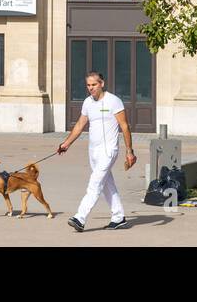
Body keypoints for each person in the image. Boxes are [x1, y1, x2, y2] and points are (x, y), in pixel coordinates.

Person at [57, 71, 137, 231]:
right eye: (88, 85)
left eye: (94, 84)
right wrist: (66, 143)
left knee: (95, 183)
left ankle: (80, 217)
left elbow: (125, 126)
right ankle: (118, 217)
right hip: (93, 151)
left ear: (102, 84)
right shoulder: (87, 102)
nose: (91, 88)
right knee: (107, 183)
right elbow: (80, 125)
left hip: (109, 150)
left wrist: (129, 151)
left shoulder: (114, 101)